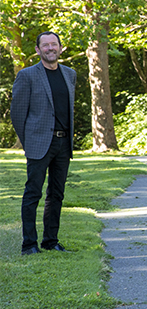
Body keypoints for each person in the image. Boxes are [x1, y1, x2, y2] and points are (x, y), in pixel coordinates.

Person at [10, 31, 76, 255]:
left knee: (57, 194)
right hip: (38, 143)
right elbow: (18, 114)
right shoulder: (27, 75)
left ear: (60, 48)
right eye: (45, 45)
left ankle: (51, 241)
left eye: (54, 44)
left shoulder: (70, 74)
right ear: (38, 50)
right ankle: (29, 244)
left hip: (63, 143)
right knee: (33, 194)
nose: (50, 48)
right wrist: (29, 142)